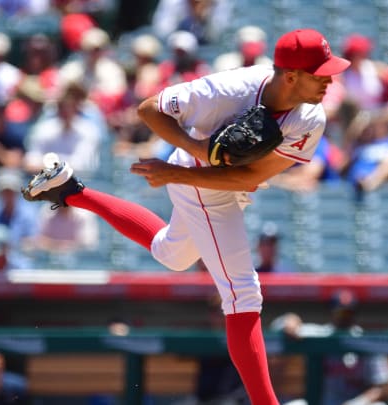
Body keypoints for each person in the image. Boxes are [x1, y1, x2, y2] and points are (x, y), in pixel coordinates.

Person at [20, 28, 351, 405]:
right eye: (320, 72)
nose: (329, 79)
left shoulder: (311, 118)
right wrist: (196, 151)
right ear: (291, 75)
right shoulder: (230, 89)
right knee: (243, 293)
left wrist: (180, 173)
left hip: (211, 179)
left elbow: (253, 176)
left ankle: (70, 191)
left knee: (171, 254)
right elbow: (148, 109)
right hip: (198, 179)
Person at [272, 289, 388, 405]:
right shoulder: (322, 334)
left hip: (353, 402)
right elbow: (278, 326)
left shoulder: (365, 341)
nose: (344, 316)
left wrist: (356, 403)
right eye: (340, 312)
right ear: (332, 312)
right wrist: (291, 320)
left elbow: (383, 386)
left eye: (348, 312)